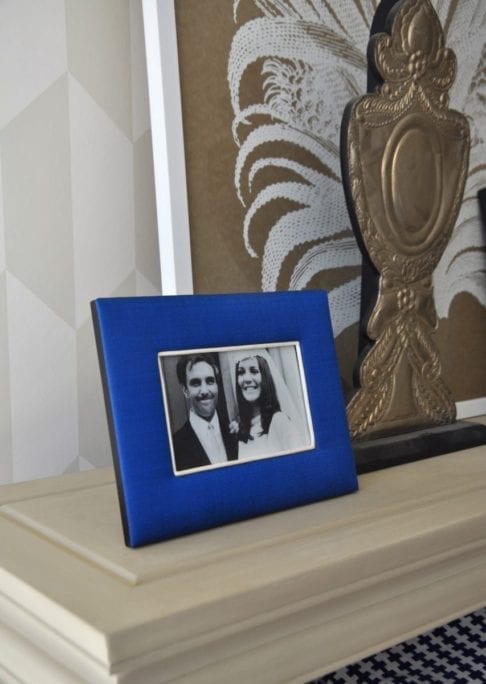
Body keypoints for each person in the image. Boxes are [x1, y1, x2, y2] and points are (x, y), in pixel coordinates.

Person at [232, 350, 304, 460]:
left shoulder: (280, 422)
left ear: (265, 377)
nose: (246, 379)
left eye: (254, 371)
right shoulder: (241, 430)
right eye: (241, 372)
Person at [172, 354, 238, 471]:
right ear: (185, 390)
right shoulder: (174, 446)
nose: (204, 391)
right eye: (196, 383)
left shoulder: (236, 432)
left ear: (217, 386)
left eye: (210, 381)